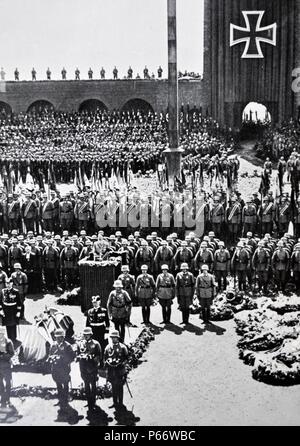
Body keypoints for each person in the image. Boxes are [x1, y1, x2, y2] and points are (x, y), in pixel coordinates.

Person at [47, 328, 75, 414]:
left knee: (65, 383)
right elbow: (50, 354)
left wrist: (62, 359)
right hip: (55, 368)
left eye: (61, 337)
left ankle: (65, 399)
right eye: (57, 337)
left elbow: (72, 357)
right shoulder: (53, 345)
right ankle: (61, 399)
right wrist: (51, 358)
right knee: (58, 383)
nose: (59, 339)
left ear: (63, 337)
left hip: (64, 368)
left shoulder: (67, 346)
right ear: (55, 338)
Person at [76, 327, 101, 413]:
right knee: (86, 384)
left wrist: (93, 358)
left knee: (93, 384)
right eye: (85, 335)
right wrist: (78, 357)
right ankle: (88, 401)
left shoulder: (96, 343)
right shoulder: (80, 343)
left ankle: (93, 401)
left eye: (88, 335)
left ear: (91, 335)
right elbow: (78, 353)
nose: (86, 336)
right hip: (83, 367)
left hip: (92, 367)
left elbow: (99, 355)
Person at [104, 330, 128, 410]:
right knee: (114, 387)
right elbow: (105, 357)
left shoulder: (123, 347)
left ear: (118, 338)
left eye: (115, 338)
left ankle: (120, 403)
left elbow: (126, 358)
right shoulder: (108, 347)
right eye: (112, 338)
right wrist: (107, 362)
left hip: (120, 370)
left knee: (120, 387)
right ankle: (115, 403)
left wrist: (121, 363)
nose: (114, 339)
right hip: (111, 370)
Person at [0, 278, 21, 343]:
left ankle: (14, 338)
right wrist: (1, 310)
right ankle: (9, 338)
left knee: (13, 324)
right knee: (7, 324)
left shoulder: (16, 291)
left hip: (13, 310)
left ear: (12, 284)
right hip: (6, 310)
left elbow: (19, 303)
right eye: (7, 283)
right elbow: (0, 301)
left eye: (9, 283)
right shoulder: (3, 291)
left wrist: (18, 312)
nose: (8, 285)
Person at [0, 326, 14, 409]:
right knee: (0, 384)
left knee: (8, 383)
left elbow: (11, 353)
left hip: (6, 366)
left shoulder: (8, 342)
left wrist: (2, 356)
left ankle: (8, 399)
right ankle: (3, 400)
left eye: (1, 334)